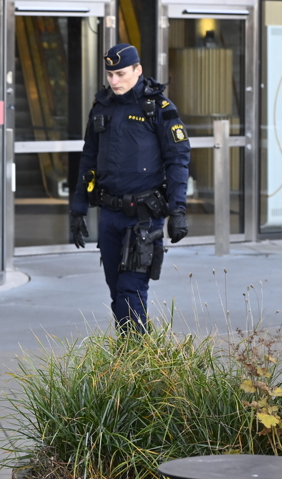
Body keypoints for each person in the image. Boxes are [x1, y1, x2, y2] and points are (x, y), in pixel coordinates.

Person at [69, 43, 191, 331]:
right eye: (110, 74)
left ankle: (135, 361)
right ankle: (137, 360)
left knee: (130, 293)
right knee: (117, 295)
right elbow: (88, 160)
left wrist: (178, 210)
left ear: (138, 70)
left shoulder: (158, 108)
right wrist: (78, 207)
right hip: (110, 215)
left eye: (121, 73)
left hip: (144, 217)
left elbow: (178, 160)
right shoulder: (102, 107)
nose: (114, 81)